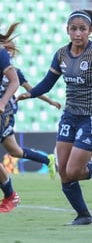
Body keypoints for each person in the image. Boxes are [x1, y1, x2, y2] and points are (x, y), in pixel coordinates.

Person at [17, 9, 92, 225]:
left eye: (82, 29)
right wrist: (30, 94)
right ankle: (84, 215)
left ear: (90, 31)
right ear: (67, 30)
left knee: (74, 171)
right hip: (70, 116)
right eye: (73, 29)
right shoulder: (61, 54)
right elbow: (47, 83)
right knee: (64, 171)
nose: (78, 33)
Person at [0, 42, 61, 181]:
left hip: (6, 113)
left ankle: (9, 193)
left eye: (10, 52)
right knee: (15, 151)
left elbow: (31, 90)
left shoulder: (15, 72)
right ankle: (48, 160)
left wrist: (50, 101)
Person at [0, 22, 21, 213]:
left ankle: (10, 195)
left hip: (0, 110)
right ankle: (10, 195)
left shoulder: (1, 53)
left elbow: (15, 81)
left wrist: (3, 102)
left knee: (16, 151)